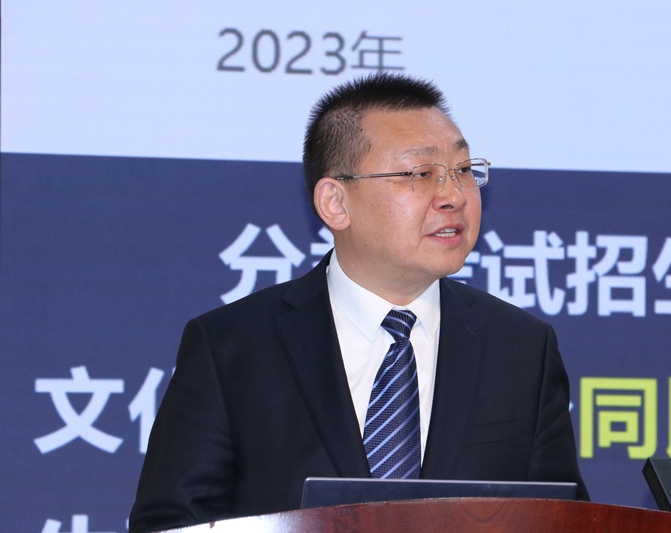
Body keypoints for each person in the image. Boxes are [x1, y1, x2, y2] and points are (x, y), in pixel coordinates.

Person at [129, 73, 588, 533]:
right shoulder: (233, 348)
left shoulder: (521, 349)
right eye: (421, 174)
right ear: (335, 202)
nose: (453, 196)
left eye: (464, 170)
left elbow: (565, 523)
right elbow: (169, 524)